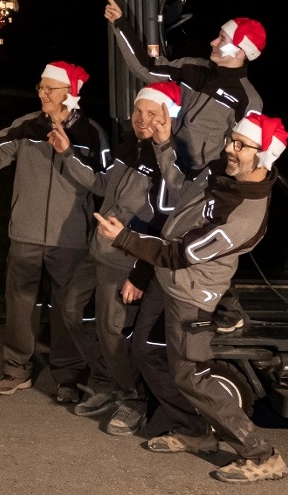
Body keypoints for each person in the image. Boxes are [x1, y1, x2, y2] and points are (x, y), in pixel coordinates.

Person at [93, 113, 288, 484]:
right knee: (144, 350)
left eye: (240, 145)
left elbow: (178, 253)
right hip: (167, 281)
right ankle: (192, 430)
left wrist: (125, 240)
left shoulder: (244, 217)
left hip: (191, 294)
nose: (229, 149)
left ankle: (261, 454)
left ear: (263, 157)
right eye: (231, 140)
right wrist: (165, 145)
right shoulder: (222, 170)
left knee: (192, 376)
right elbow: (178, 190)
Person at [104, 0, 265, 334]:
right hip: (169, 162)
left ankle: (226, 308)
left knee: (196, 238)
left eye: (221, 38)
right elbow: (146, 69)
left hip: (204, 183)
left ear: (239, 50)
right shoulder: (194, 68)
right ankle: (154, 295)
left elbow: (247, 150)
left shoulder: (249, 99)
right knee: (166, 227)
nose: (213, 41)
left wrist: (226, 188)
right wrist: (122, 26)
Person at [0, 60, 109, 401]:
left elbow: (103, 185)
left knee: (66, 307)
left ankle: (68, 376)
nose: (42, 93)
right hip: (25, 232)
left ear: (70, 92)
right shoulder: (25, 125)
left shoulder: (92, 133)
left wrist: (69, 152)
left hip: (69, 237)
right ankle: (16, 370)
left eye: (49, 88)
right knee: (19, 302)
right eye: (40, 87)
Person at [50, 80, 185, 436]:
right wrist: (67, 154)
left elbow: (164, 223)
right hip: (98, 251)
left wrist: (141, 275)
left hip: (126, 259)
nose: (142, 119)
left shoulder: (168, 163)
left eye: (152, 114)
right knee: (70, 312)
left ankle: (133, 398)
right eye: (138, 111)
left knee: (112, 330)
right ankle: (106, 382)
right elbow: (100, 186)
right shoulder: (129, 148)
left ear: (167, 117)